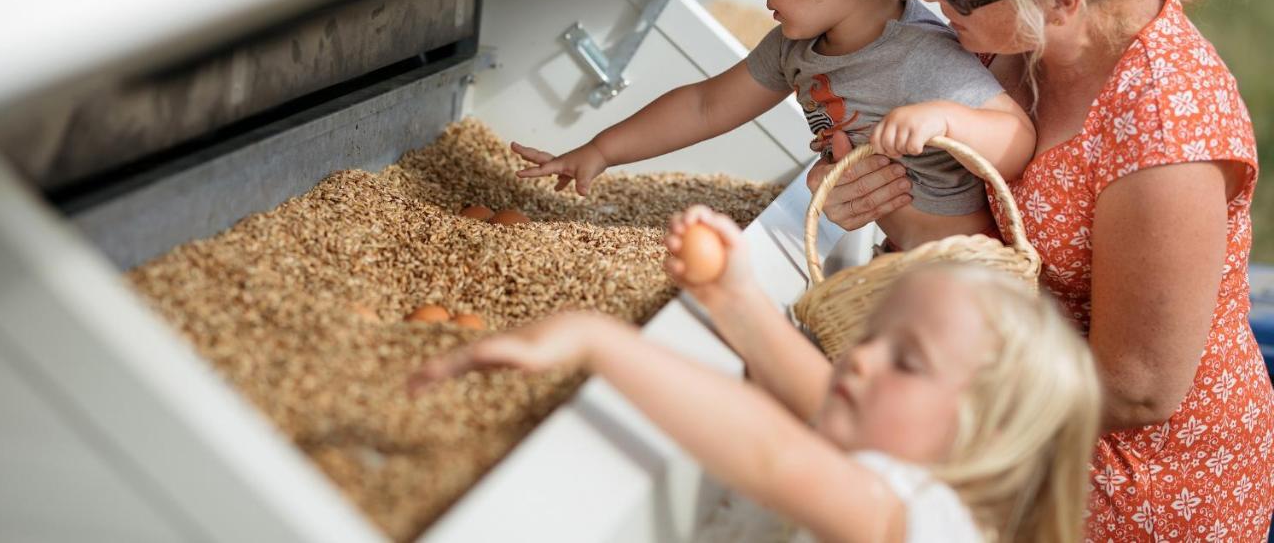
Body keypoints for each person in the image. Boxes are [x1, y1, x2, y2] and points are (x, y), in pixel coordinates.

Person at [810, 0, 1274, 540]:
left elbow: (1136, 389)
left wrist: (936, 238)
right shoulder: (1016, 39)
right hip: (1025, 436)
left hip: (1134, 492)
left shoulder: (1166, 128)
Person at [412, 206, 1101, 543]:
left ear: (984, 432)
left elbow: (775, 454)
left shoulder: (925, 523)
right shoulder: (912, 475)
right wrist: (738, 302)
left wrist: (603, 342)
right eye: (878, 337)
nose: (860, 356)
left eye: (907, 360)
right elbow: (822, 395)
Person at [512, 0, 1035, 251]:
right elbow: (705, 104)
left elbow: (1015, 141)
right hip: (896, 260)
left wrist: (946, 120)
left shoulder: (921, 56)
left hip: (965, 270)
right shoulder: (793, 49)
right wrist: (601, 151)